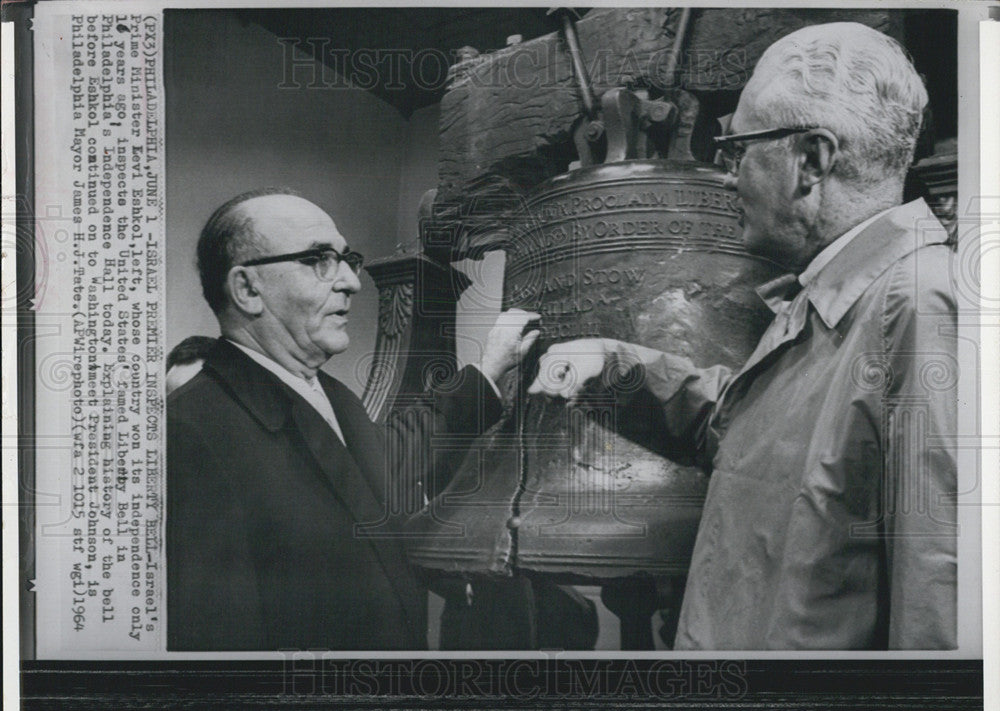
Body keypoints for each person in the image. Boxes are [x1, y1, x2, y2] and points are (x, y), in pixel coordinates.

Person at [528, 22, 956, 649]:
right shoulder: (829, 300)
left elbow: (940, 615)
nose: (728, 175)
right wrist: (613, 365)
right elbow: (741, 430)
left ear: (810, 160)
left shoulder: (922, 306)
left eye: (739, 148)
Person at [167, 188, 539, 650]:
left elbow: (391, 459)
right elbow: (222, 649)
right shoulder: (189, 432)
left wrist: (488, 371)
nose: (351, 282)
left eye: (347, 259)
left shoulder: (332, 396)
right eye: (320, 259)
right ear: (247, 289)